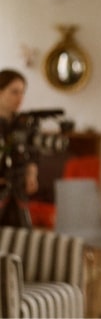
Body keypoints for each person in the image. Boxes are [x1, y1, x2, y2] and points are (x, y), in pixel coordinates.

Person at [0, 69, 38, 227]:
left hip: (18, 192)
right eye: (14, 92)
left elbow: (33, 154)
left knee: (22, 236)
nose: (20, 98)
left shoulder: (24, 124)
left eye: (22, 92)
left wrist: (31, 175)